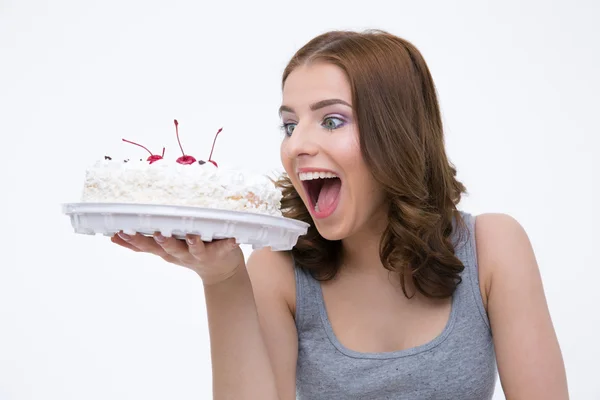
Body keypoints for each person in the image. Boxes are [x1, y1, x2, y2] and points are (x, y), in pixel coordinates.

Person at [111, 30, 569, 399]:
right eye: (290, 124)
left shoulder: (492, 248)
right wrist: (222, 279)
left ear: (398, 133)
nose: (296, 145)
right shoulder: (278, 269)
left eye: (331, 120)